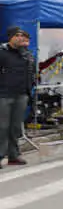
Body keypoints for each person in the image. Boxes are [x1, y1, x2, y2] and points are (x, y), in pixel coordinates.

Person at [0, 27, 34, 168]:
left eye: (22, 36)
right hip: (4, 95)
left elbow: (31, 71)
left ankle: (14, 155)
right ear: (10, 37)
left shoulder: (25, 54)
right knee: (2, 127)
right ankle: (1, 155)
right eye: (17, 35)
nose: (20, 38)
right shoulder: (2, 53)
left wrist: (28, 91)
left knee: (15, 127)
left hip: (21, 95)